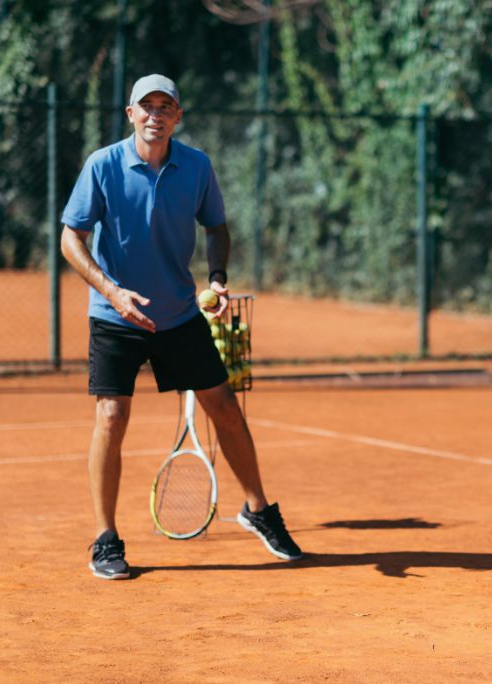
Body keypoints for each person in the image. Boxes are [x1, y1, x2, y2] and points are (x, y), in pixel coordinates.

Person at [60, 74, 303, 580]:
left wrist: (216, 278)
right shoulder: (102, 166)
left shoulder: (196, 166)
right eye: (145, 106)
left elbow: (216, 226)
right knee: (110, 417)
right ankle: (106, 540)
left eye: (165, 106)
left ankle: (258, 510)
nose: (155, 115)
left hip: (179, 314)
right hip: (115, 315)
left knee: (226, 409)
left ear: (178, 116)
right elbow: (71, 239)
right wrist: (112, 292)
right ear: (130, 115)